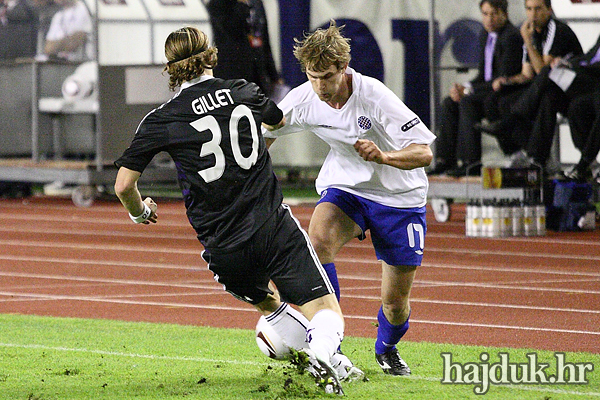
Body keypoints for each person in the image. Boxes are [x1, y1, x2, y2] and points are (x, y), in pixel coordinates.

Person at [114, 26, 358, 396]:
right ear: (211, 54)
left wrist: (139, 212)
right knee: (325, 309)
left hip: (223, 246)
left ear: (170, 68)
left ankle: (327, 360)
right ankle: (324, 352)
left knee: (270, 305)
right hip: (271, 225)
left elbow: (123, 185)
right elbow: (276, 120)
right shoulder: (243, 89)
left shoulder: (161, 119)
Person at [264, 20, 435, 376]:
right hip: (347, 189)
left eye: (326, 76)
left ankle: (386, 348)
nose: (319, 86)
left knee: (395, 303)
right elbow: (267, 133)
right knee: (318, 239)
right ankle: (331, 347)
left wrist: (384, 157)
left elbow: (424, 153)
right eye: (313, 76)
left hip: (399, 198)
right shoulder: (305, 98)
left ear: (344, 68)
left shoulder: (374, 97)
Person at [476, 0, 583, 172]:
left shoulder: (557, 29)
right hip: (547, 87)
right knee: (501, 100)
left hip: (571, 91)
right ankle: (521, 152)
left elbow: (542, 70)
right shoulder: (531, 32)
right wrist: (508, 81)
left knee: (547, 97)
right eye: (529, 9)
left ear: (549, 10)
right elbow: (527, 75)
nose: (533, 14)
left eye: (538, 9)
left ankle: (537, 156)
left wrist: (527, 40)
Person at [431, 0, 523, 176]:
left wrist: (468, 91)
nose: (489, 19)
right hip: (487, 91)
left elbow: (501, 79)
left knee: (467, 103)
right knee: (449, 102)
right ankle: (445, 160)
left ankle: (471, 162)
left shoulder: (511, 37)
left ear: (505, 14)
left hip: (504, 94)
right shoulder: (485, 35)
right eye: (485, 14)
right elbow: (483, 75)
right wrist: (464, 86)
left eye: (494, 14)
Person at [203, 0, 283, 99]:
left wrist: (274, 76)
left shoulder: (256, 3)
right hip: (231, 76)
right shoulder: (218, 4)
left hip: (257, 75)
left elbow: (265, 41)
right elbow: (232, 29)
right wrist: (242, 4)